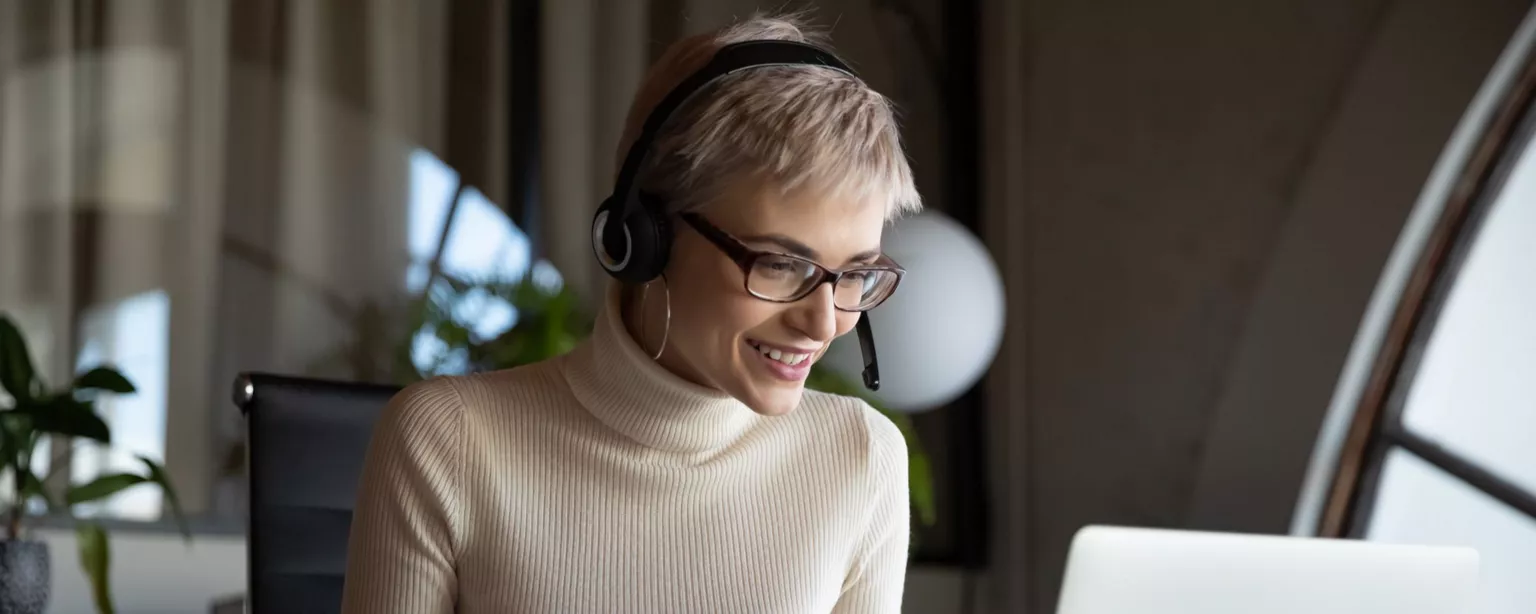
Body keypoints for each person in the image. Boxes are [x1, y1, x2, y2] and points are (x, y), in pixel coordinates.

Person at [340, 12, 921, 614]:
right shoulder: (448, 444)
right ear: (643, 238)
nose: (825, 324)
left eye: (854, 274)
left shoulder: (862, 457)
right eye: (779, 264)